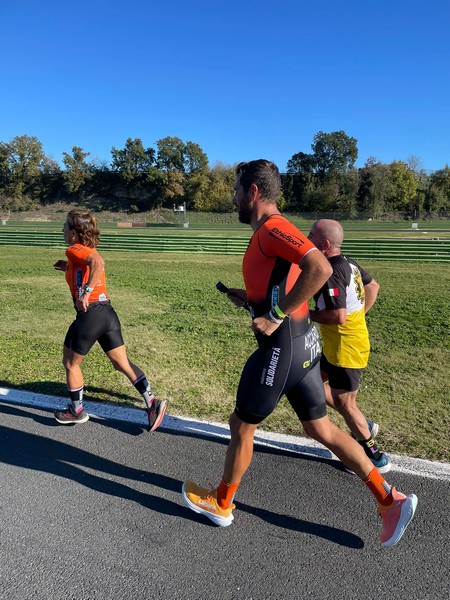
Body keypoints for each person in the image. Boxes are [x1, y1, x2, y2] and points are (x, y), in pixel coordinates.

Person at [182, 160, 417, 547]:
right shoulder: (272, 231)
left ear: (253, 192)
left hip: (283, 348)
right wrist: (256, 302)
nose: (234, 197)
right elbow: (288, 279)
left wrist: (273, 316)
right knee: (321, 429)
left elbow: (319, 268)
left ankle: (221, 503)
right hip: (302, 343)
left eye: (237, 190)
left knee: (242, 425)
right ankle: (390, 500)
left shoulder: (274, 227)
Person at [53, 209, 166, 431]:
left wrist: (85, 292)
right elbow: (88, 265)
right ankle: (153, 403)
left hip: (91, 314)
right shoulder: (81, 252)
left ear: (74, 232)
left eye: (65, 226)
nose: (62, 229)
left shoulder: (74, 248)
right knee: (120, 362)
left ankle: (76, 411)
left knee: (70, 363)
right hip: (107, 313)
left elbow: (98, 263)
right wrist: (67, 267)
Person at [308, 219, 391, 473]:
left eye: (310, 234)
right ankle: (363, 424)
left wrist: (304, 314)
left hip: (347, 349)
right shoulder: (349, 262)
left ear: (323, 244)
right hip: (341, 344)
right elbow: (373, 286)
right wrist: (360, 316)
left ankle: (374, 455)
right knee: (311, 382)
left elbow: (338, 316)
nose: (306, 238)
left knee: (346, 405)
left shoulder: (333, 270)